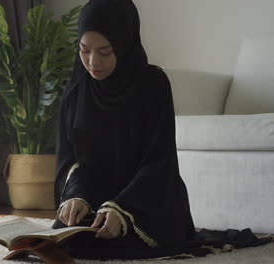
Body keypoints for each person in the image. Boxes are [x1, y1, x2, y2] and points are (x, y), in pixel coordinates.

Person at [52, 0, 272, 260]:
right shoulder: (76, 91)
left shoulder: (152, 85)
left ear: (124, 44)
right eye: (84, 50)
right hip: (93, 203)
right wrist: (76, 197)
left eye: (105, 51)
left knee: (123, 244)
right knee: (68, 243)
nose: (92, 62)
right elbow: (70, 160)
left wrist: (122, 209)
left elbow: (159, 162)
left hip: (148, 203)